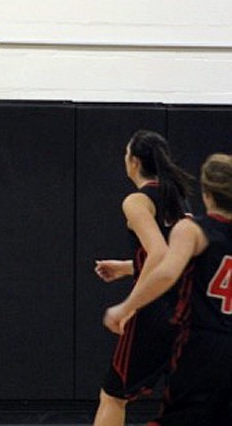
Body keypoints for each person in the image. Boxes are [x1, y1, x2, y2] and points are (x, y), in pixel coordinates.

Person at [104, 153, 232, 426]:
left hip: (201, 344)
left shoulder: (193, 229)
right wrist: (128, 267)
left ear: (207, 193)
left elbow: (166, 272)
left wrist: (126, 307)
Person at [92, 130, 194, 426]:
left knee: (113, 396)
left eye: (126, 154)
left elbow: (159, 255)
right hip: (189, 308)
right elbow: (178, 259)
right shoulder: (179, 199)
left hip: (157, 309)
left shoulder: (137, 201)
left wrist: (129, 307)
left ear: (134, 162)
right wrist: (126, 267)